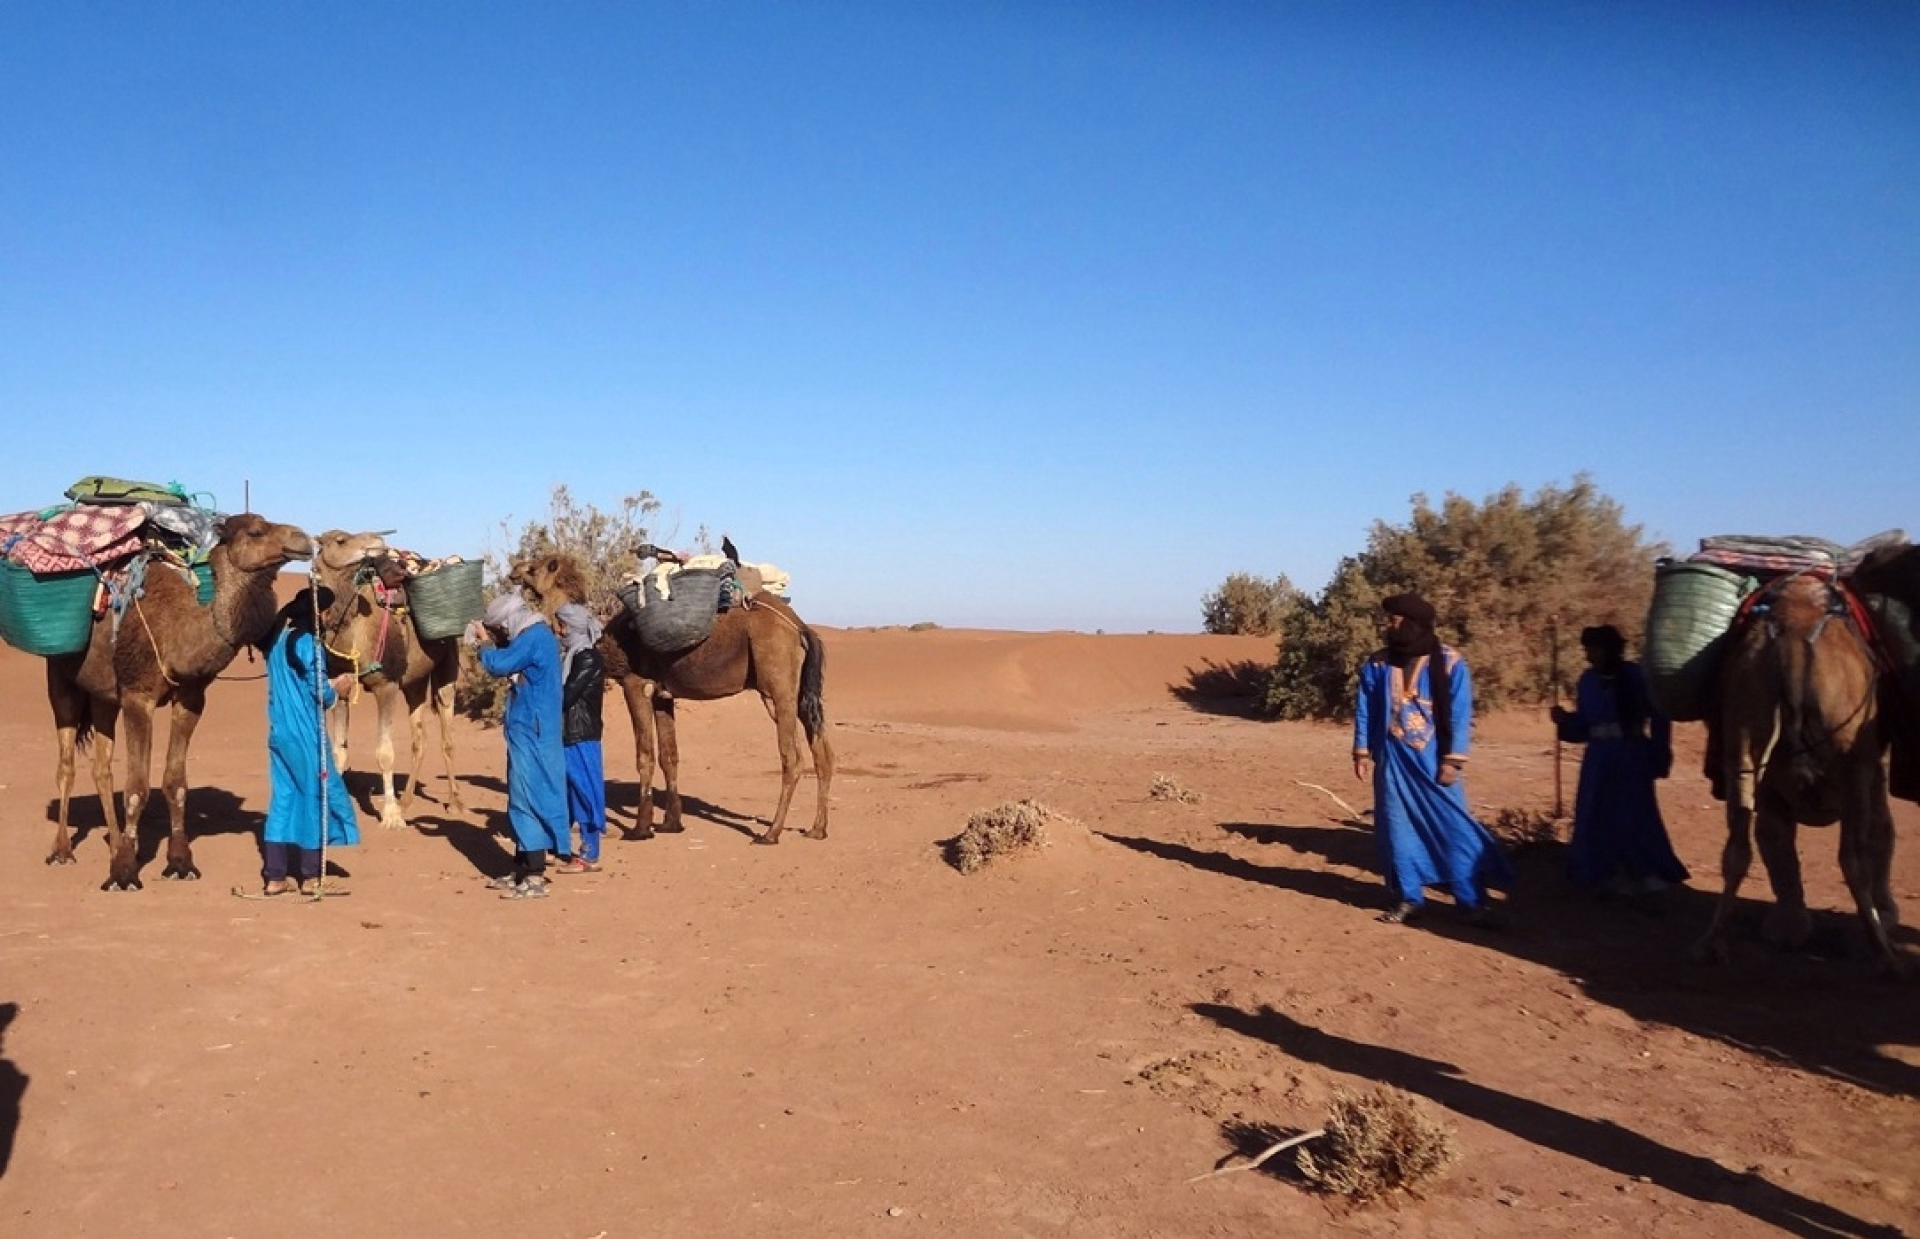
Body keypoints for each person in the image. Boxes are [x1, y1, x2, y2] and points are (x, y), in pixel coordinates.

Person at [1352, 593, 1514, 925]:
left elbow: (1459, 712)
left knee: (1452, 827)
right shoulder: (1379, 663)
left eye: (1394, 619)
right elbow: (1365, 709)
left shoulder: (1451, 663)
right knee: (1397, 828)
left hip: (1434, 760)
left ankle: (1472, 902)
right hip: (1393, 760)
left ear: (1412, 623)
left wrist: (1453, 761)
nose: (1388, 625)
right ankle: (1409, 897)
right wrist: (1362, 751)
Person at [1552, 624, 1689, 896]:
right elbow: (1584, 723)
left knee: (1635, 811)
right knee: (1595, 811)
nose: (1590, 655)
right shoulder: (1587, 680)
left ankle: (1647, 871)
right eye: (1587, 650)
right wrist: (1564, 721)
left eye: (1594, 649)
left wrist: (1660, 754)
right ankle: (1599, 871)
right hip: (1599, 757)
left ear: (1610, 650)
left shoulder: (1637, 677)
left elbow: (1660, 717)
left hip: (1631, 753)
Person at [468, 593, 572, 899]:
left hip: (534, 728)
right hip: (530, 726)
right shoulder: (536, 634)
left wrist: (484, 644)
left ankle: (534, 875)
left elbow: (500, 665)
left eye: (500, 628)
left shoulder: (534, 638)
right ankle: (522, 868)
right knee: (522, 793)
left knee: (531, 795)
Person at [259, 587, 361, 896]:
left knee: (283, 798)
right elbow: (321, 693)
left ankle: (275, 877)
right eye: (328, 613)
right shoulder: (309, 645)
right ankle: (310, 876)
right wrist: (338, 688)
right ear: (320, 613)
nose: (330, 619)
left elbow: (299, 683)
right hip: (305, 735)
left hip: (279, 732)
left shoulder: (276, 641)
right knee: (315, 797)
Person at [555, 602, 608, 872]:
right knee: (570, 791)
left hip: (581, 733)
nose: (559, 632)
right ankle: (566, 847)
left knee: (585, 791)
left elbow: (566, 696)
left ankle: (589, 854)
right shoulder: (573, 656)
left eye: (561, 626)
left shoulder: (586, 658)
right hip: (571, 733)